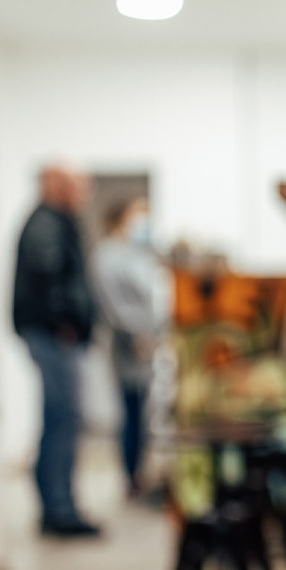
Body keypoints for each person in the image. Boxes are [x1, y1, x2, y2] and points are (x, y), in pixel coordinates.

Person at [12, 163, 101, 537]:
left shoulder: (55, 222)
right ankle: (59, 509)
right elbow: (50, 279)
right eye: (76, 185)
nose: (83, 193)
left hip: (55, 333)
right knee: (63, 419)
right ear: (55, 185)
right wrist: (65, 322)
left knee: (61, 418)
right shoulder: (46, 224)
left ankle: (60, 505)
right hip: (53, 334)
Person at [92, 196, 170, 497]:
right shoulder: (107, 255)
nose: (145, 221)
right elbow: (112, 304)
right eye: (139, 214)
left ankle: (143, 473)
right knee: (131, 410)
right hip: (129, 344)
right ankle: (131, 477)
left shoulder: (139, 254)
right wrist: (137, 335)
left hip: (149, 342)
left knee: (146, 411)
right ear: (121, 217)